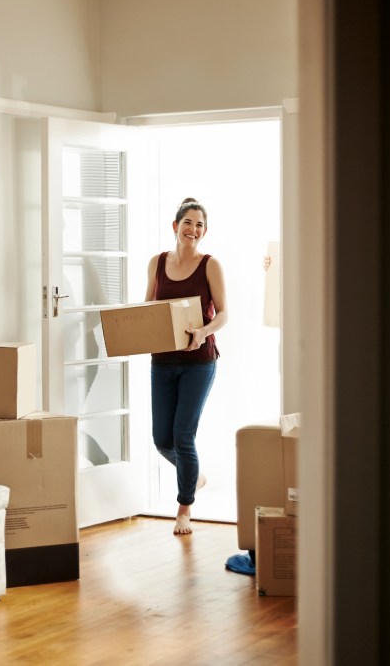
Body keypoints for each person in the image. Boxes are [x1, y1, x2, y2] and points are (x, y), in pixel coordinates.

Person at [144, 197, 228, 535]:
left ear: (204, 231)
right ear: (175, 226)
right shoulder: (158, 262)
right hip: (162, 361)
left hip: (198, 362)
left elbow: (223, 314)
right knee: (161, 439)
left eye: (199, 225)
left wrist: (202, 331)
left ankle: (184, 509)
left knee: (183, 435)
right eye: (188, 222)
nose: (193, 229)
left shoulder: (210, 265)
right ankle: (195, 477)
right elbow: (148, 306)